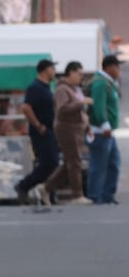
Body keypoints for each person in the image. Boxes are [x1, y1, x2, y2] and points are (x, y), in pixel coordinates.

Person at [43, 62, 93, 205]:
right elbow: (63, 109)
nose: (81, 77)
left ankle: (46, 187)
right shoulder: (62, 90)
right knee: (74, 161)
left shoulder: (74, 89)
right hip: (67, 129)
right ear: (70, 73)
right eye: (79, 74)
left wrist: (86, 123)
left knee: (71, 162)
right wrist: (81, 102)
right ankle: (77, 195)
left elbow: (80, 110)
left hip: (77, 128)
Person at [14, 59, 60, 205]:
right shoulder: (35, 87)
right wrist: (38, 125)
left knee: (53, 163)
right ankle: (23, 185)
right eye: (53, 68)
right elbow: (26, 108)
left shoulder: (47, 87)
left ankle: (49, 193)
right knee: (49, 162)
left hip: (50, 129)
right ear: (46, 70)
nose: (54, 72)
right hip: (41, 131)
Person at [86, 54, 123, 205]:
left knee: (114, 163)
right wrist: (105, 124)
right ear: (110, 67)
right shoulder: (100, 83)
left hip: (108, 133)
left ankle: (108, 194)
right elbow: (98, 106)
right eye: (117, 67)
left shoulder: (108, 83)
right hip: (101, 131)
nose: (119, 70)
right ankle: (95, 196)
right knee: (99, 165)